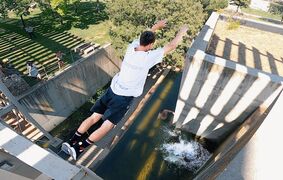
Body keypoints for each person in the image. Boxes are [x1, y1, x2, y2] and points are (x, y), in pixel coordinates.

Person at [61, 20, 188, 160]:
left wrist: (155, 27)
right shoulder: (148, 58)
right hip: (123, 98)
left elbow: (145, 35)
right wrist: (182, 32)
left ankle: (71, 141)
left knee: (93, 117)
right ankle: (78, 149)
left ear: (140, 40)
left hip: (112, 90)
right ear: (151, 45)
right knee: (107, 125)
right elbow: (172, 45)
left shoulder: (131, 47)